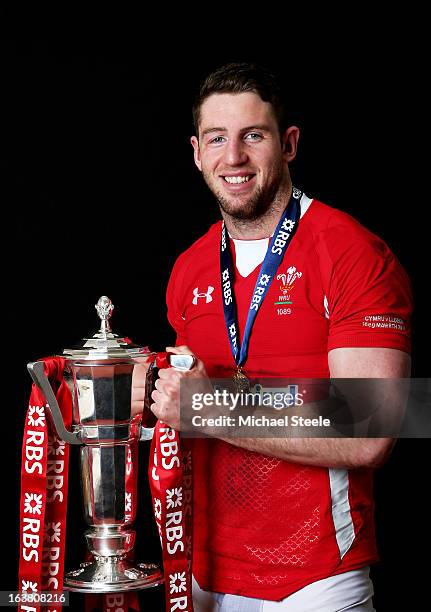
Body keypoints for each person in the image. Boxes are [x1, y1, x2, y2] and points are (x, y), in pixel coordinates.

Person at [148, 63, 412, 611]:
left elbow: (372, 430)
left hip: (317, 581)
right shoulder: (189, 268)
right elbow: (181, 407)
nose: (234, 157)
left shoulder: (353, 252)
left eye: (254, 136)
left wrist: (209, 407)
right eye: (217, 139)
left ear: (288, 144)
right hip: (200, 576)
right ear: (197, 152)